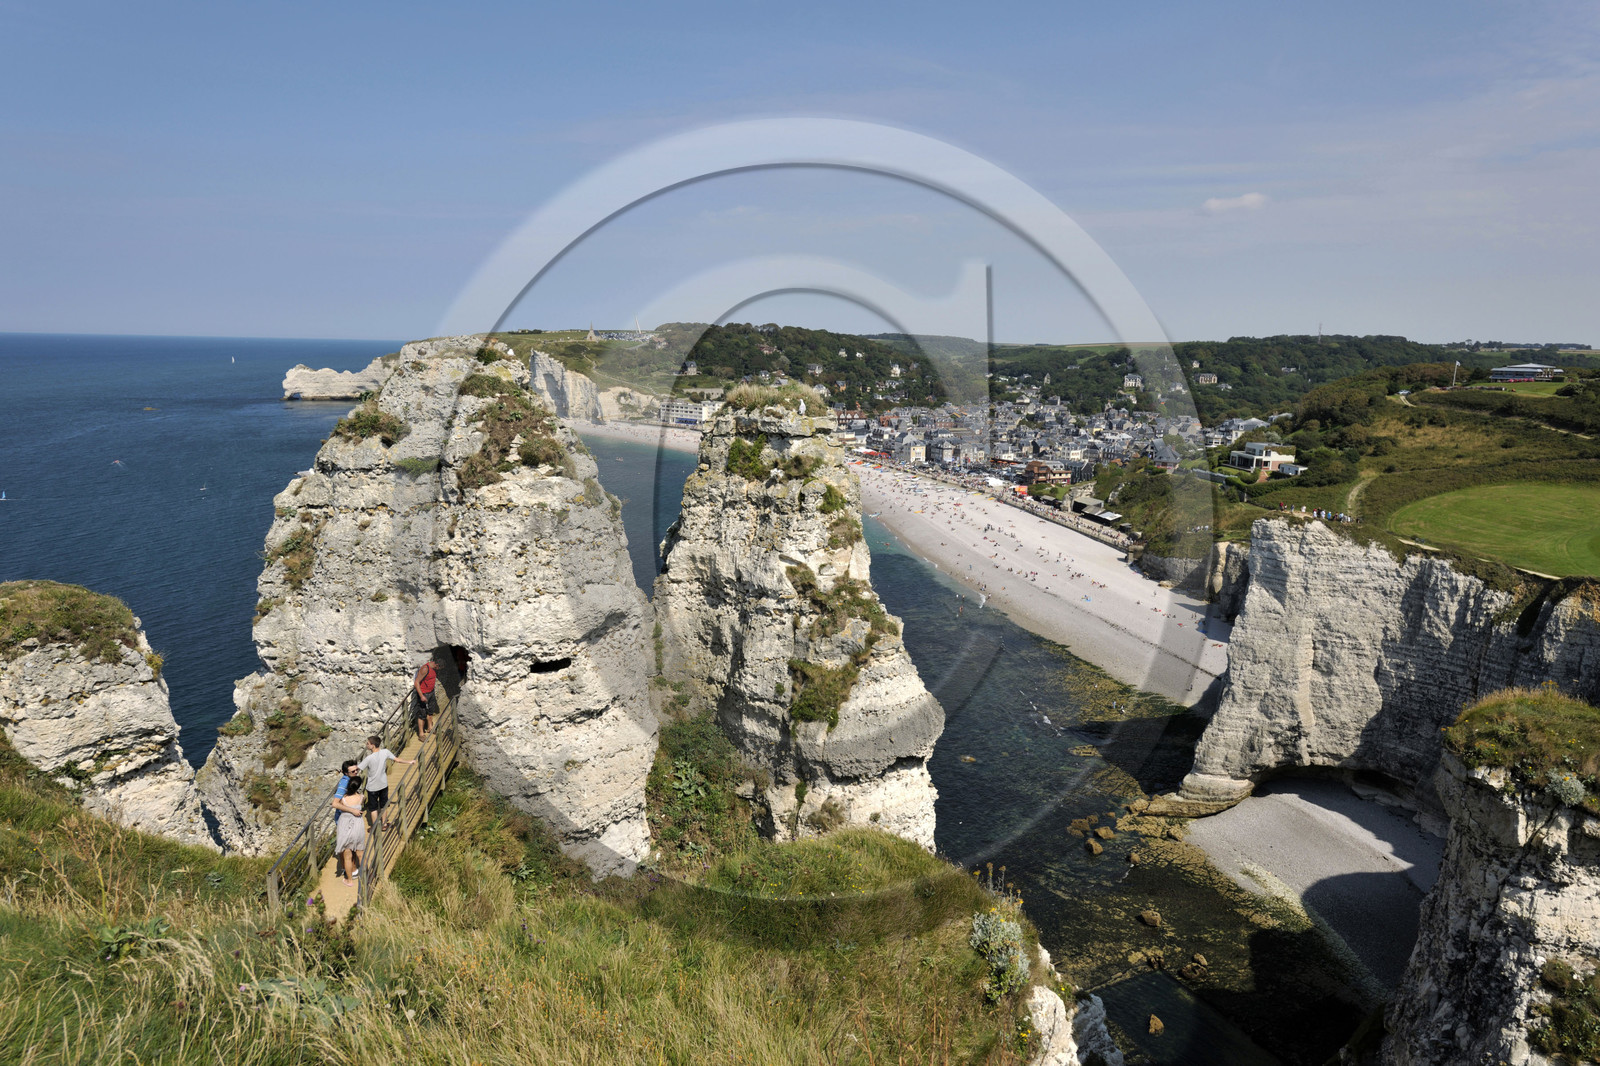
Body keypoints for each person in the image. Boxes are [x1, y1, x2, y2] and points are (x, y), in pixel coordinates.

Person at [358, 735, 416, 832]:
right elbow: (397, 760)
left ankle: (375, 826)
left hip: (372, 787)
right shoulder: (385, 752)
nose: (366, 745)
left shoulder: (369, 758)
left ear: (372, 745)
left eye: (368, 743)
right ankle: (384, 824)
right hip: (383, 784)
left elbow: (358, 768)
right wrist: (409, 762)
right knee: (383, 805)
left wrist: (347, 772)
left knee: (373, 808)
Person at [331, 776, 366, 885]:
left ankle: (349, 880)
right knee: (361, 853)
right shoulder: (362, 797)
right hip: (358, 827)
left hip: (345, 827)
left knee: (347, 856)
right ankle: (366, 877)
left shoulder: (343, 799)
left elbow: (337, 805)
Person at [411, 659, 439, 740]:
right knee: (422, 714)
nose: (438, 670)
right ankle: (421, 734)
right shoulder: (425, 669)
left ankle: (430, 728)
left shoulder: (433, 669)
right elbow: (416, 682)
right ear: (437, 665)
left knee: (430, 711)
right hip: (424, 694)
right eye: (439, 668)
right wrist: (421, 696)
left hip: (431, 692)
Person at [332, 758, 358, 826]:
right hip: (343, 820)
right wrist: (353, 810)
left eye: (356, 770)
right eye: (353, 771)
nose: (356, 772)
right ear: (346, 773)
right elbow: (335, 804)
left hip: (348, 818)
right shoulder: (344, 784)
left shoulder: (350, 780)